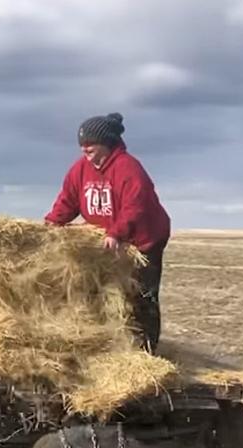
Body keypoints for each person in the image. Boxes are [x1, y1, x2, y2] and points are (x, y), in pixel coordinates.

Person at [43, 112, 171, 353]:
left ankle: (146, 351)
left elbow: (136, 205)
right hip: (110, 241)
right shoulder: (80, 169)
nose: (85, 150)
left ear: (107, 144)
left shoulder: (128, 168)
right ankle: (109, 343)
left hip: (143, 241)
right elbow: (68, 200)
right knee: (103, 292)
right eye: (82, 146)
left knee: (142, 295)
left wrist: (116, 233)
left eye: (90, 146)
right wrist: (52, 223)